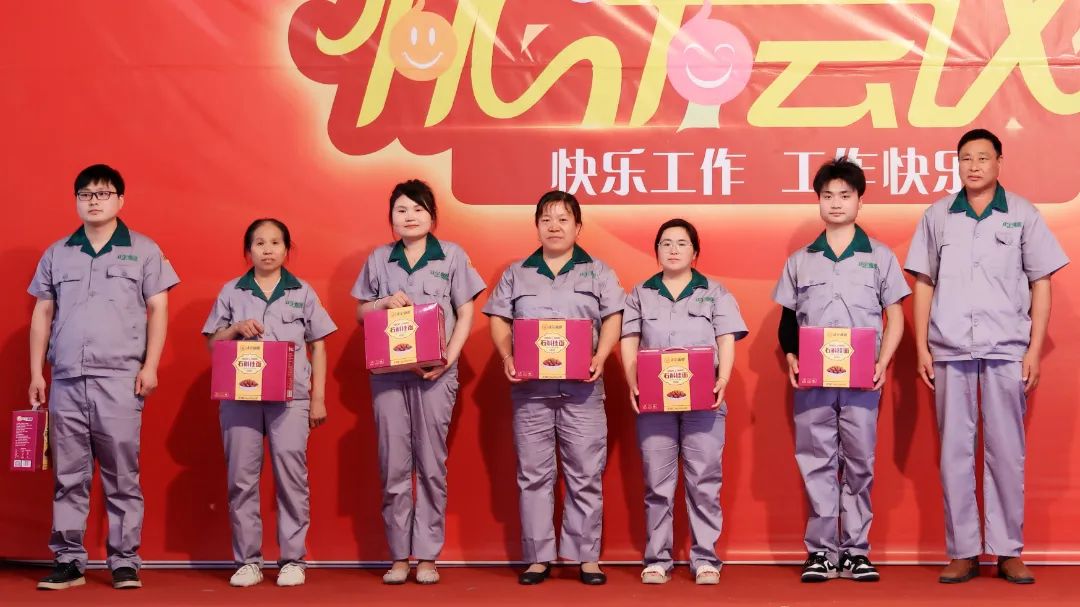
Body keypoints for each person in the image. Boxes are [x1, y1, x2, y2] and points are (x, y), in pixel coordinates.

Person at [904, 129, 1068, 585]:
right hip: (950, 348)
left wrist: (1034, 349)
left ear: (999, 162)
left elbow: (1040, 282)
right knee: (954, 452)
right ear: (957, 164)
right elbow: (924, 283)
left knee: (1007, 451)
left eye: (982, 157)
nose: (973, 166)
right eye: (965, 159)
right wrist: (922, 347)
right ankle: (963, 551)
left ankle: (1008, 550)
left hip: (1006, 348)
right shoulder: (938, 216)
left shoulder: (1023, 214)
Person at [29, 164, 180, 590]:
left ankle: (125, 560)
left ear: (120, 200)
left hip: (120, 377)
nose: (93, 201)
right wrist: (36, 372)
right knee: (68, 475)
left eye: (103, 193)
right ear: (76, 201)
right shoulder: (58, 253)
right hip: (67, 378)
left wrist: (150, 365)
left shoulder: (144, 250)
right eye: (85, 194)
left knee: (122, 473)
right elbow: (42, 311)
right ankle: (69, 560)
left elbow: (159, 308)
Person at [772, 158, 909, 582]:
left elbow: (896, 316)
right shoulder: (800, 260)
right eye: (827, 195)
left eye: (845, 195)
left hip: (863, 379)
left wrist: (884, 361)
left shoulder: (880, 257)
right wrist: (791, 356)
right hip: (813, 380)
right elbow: (787, 319)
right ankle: (820, 552)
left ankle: (855, 551)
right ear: (818, 201)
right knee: (816, 462)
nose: (836, 203)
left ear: (859, 201)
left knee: (859, 462)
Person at [483, 190, 624, 586]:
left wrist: (601, 355)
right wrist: (507, 356)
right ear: (537, 226)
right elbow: (498, 317)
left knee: (585, 473)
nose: (554, 226)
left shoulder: (598, 271)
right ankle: (538, 557)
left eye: (563, 219)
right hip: (531, 391)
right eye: (546, 219)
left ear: (578, 227)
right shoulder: (516, 272)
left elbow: (614, 316)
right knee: (533, 475)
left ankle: (586, 557)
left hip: (583, 389)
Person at [352, 180, 486, 584]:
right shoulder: (379, 259)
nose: (409, 217)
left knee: (431, 463)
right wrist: (381, 303)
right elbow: (361, 313)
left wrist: (449, 360)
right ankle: (399, 556)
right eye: (401, 210)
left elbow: (466, 312)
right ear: (391, 217)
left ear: (432, 216)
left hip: (435, 375)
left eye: (418, 209)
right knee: (393, 463)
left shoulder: (452, 255)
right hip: (388, 376)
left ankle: (427, 556)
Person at [203, 218, 337, 587]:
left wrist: (318, 398)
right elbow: (213, 344)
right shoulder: (232, 291)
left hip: (291, 400)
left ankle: (293, 560)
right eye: (259, 243)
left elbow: (319, 345)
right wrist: (234, 329)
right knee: (241, 480)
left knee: (291, 478)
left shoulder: (302, 291)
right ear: (248, 250)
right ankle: (248, 561)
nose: (267, 250)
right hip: (240, 398)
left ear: (287, 249)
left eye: (275, 242)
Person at [620, 218, 748, 585]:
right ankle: (657, 559)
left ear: (695, 252)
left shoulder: (715, 292)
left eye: (681, 243)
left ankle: (705, 558)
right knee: (656, 483)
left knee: (704, 481)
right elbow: (629, 338)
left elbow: (726, 337)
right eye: (666, 243)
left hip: (704, 401)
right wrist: (632, 382)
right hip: (654, 403)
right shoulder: (640, 292)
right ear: (656, 251)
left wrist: (723, 378)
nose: (673, 249)